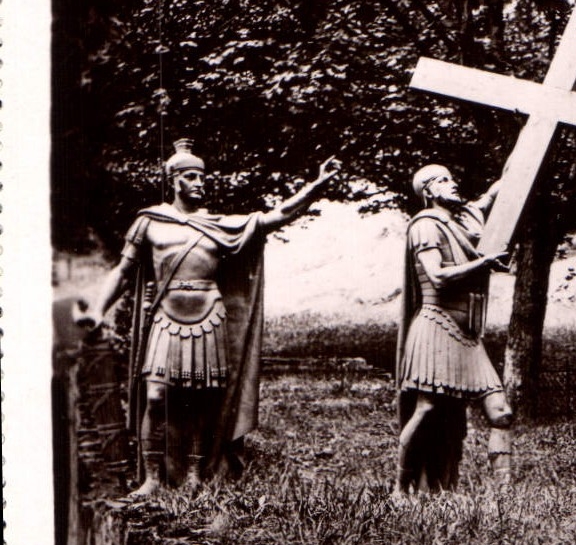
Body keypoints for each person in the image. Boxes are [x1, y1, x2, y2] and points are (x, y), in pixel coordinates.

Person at [92, 140, 340, 497]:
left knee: (200, 399)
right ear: (173, 179)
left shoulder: (220, 225)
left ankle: (195, 473)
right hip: (165, 317)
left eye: (202, 177)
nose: (199, 183)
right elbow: (123, 270)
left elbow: (276, 216)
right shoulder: (149, 221)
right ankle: (152, 478)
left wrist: (316, 186)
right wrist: (97, 310)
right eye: (191, 176)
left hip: (209, 315)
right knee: (157, 396)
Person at [396, 165, 512, 492]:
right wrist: (484, 263)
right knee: (427, 409)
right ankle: (400, 488)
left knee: (501, 412)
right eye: (443, 180)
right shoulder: (425, 226)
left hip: (468, 334)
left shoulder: (464, 219)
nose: (453, 183)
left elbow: (494, 191)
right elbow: (437, 275)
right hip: (436, 325)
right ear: (428, 192)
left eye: (452, 178)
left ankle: (504, 499)